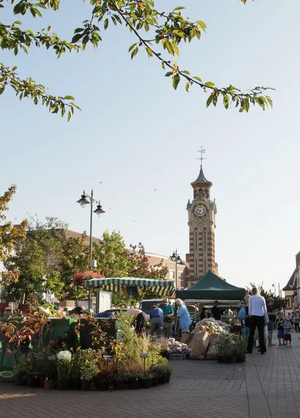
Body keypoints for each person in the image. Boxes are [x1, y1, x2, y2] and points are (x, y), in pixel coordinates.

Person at [247, 287, 267, 354]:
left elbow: (250, 307)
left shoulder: (251, 298)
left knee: (251, 333)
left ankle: (249, 349)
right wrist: (265, 316)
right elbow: (265, 309)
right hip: (261, 316)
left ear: (252, 291)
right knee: (261, 333)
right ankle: (262, 348)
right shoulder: (262, 298)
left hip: (253, 315)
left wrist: (250, 314)